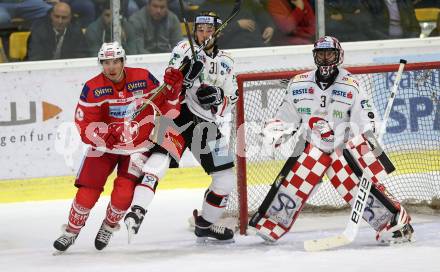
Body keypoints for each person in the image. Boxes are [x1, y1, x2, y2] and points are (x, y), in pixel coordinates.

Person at [250, 36, 414, 245]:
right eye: (321, 54)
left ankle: (395, 223)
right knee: (291, 187)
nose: (326, 59)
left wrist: (367, 145)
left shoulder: (352, 85)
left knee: (360, 190)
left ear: (339, 56)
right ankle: (271, 223)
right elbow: (286, 116)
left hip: (342, 150)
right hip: (311, 146)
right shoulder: (298, 84)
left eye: (330, 54)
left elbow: (365, 120)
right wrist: (275, 131)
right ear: (314, 56)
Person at [52, 41, 184, 252]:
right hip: (103, 148)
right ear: (100, 63)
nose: (111, 67)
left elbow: (167, 110)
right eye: (106, 62)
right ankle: (71, 231)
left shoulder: (143, 77)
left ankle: (108, 226)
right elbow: (83, 124)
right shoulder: (92, 87)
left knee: (123, 194)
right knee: (87, 193)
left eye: (115, 61)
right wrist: (101, 135)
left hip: (137, 147)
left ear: (123, 61)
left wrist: (173, 92)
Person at [124, 11, 238, 243]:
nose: (203, 34)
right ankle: (137, 211)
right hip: (176, 114)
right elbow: (169, 81)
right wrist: (185, 77)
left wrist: (217, 97)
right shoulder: (183, 48)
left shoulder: (227, 61)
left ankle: (205, 224)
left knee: (226, 179)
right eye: (200, 29)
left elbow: (231, 98)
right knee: (159, 161)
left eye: (209, 30)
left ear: (217, 32)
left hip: (205, 122)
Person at [199, 0, 274, 49]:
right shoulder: (206, 8)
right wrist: (237, 25)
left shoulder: (247, 2)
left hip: (258, 48)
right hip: (230, 51)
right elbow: (208, 37)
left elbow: (263, 16)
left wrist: (269, 26)